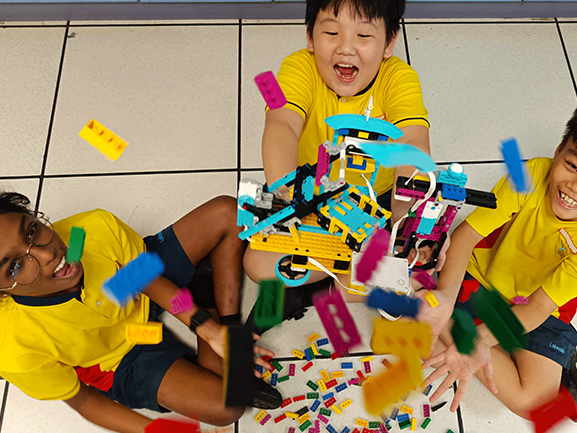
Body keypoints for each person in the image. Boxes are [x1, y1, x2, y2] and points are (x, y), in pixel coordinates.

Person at [416, 96, 577, 422]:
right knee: (415, 318)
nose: (575, 187)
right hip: (482, 278)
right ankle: (477, 338)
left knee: (533, 403)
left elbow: (539, 306)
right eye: (572, 165)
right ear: (559, 150)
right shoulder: (528, 174)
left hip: (539, 304)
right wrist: (444, 298)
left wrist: (476, 339)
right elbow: (466, 236)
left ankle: (469, 336)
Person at [0, 192, 282, 433]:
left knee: (230, 212)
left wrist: (210, 329)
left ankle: (227, 326)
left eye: (32, 231)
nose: (48, 255)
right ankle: (204, 288)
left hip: (130, 287)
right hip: (117, 358)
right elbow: (84, 400)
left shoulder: (84, 231)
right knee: (227, 408)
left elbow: (140, 276)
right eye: (14, 267)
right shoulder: (13, 347)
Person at [243, 0, 444, 330]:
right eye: (332, 33)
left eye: (363, 35)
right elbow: (281, 123)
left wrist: (403, 225)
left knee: (425, 257)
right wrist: (289, 196)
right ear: (310, 37)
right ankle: (352, 279)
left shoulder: (401, 78)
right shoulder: (296, 66)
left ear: (389, 43)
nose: (346, 48)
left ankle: (316, 287)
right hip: (313, 199)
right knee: (257, 263)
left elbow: (412, 144)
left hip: (378, 202)